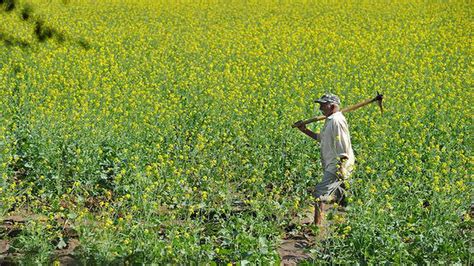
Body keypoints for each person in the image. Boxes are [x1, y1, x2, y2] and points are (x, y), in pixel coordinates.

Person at [295, 93, 355, 225]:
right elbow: (321, 139)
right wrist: (304, 130)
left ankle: (317, 227)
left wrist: (340, 167)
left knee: (319, 194)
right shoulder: (330, 120)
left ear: (332, 106)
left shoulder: (336, 121)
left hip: (338, 165)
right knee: (342, 198)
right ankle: (344, 223)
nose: (321, 108)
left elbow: (343, 147)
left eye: (323, 105)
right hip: (332, 163)